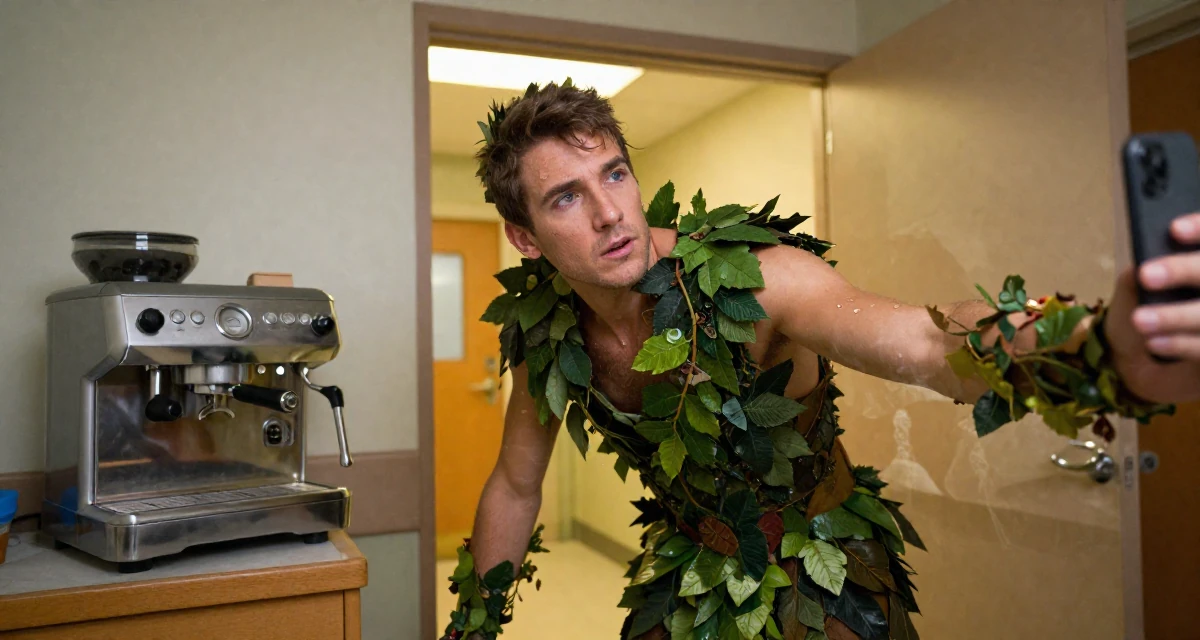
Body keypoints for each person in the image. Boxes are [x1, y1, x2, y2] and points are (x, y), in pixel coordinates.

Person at [442, 81, 1198, 640]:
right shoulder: (549, 334)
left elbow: (929, 341)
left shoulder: (754, 281)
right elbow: (515, 483)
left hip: (825, 572)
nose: (610, 212)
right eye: (566, 198)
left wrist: (1094, 344)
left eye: (614, 173)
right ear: (526, 238)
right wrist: (471, 628)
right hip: (689, 571)